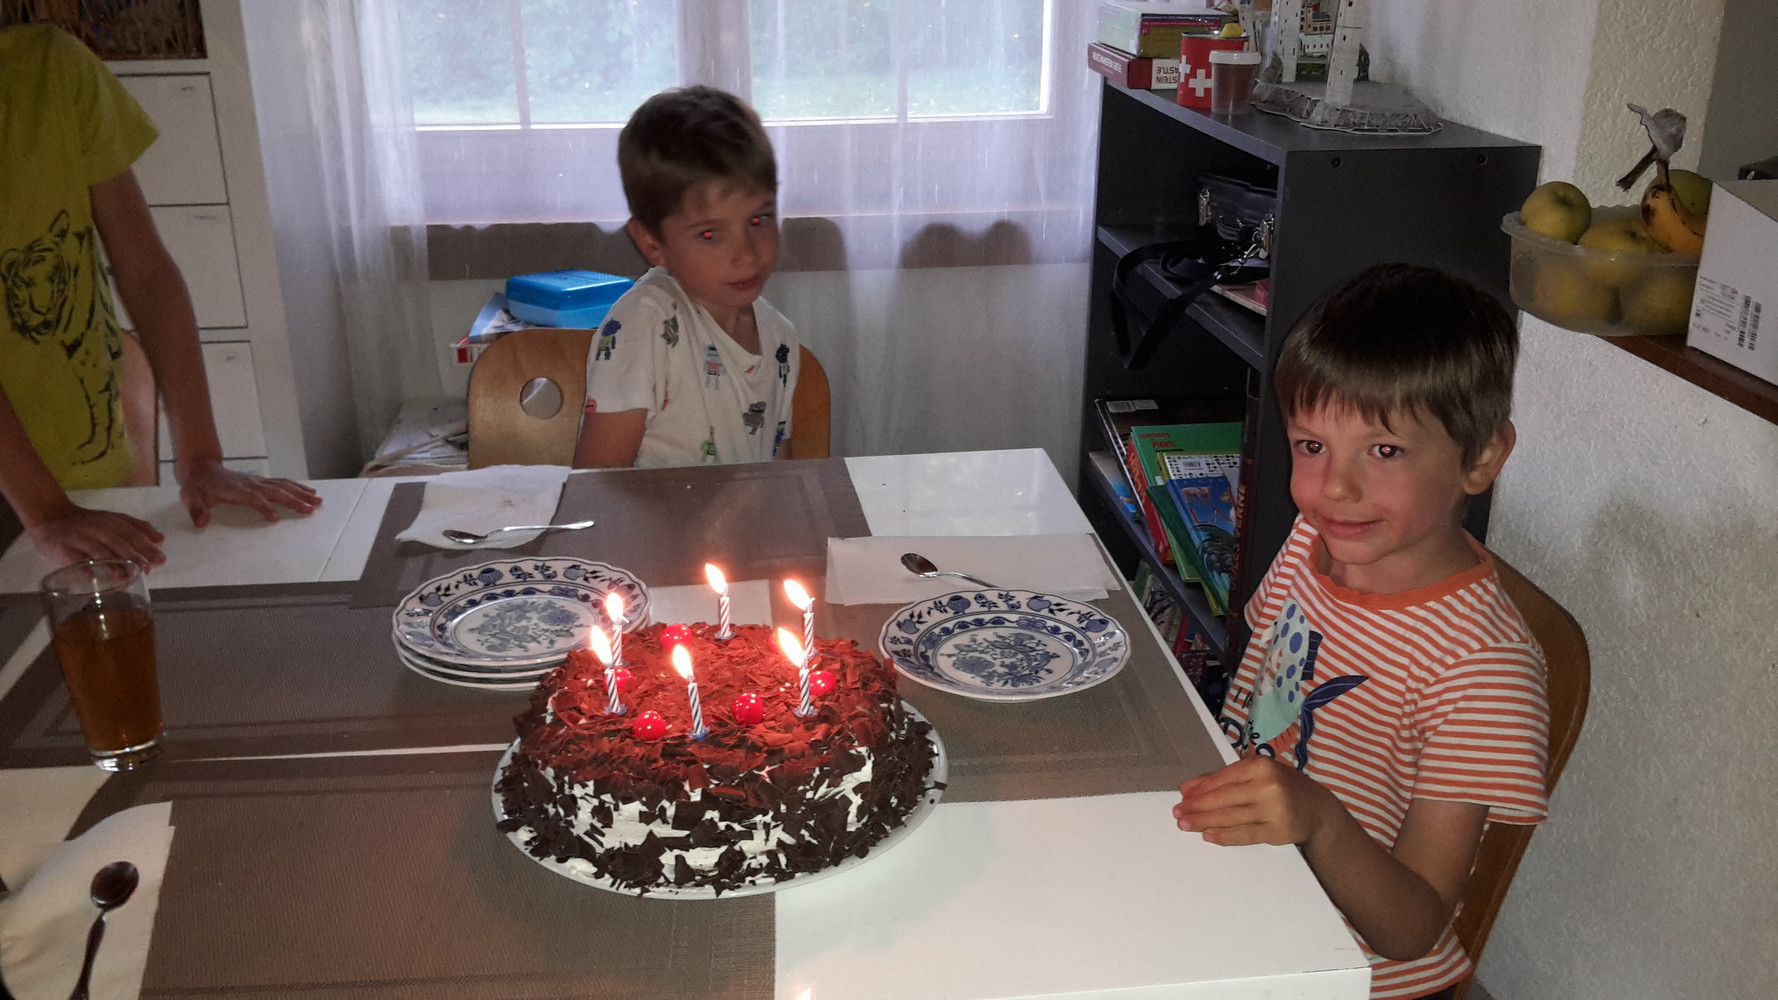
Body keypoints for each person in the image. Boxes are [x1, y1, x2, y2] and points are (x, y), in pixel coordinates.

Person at [1172, 264, 1550, 1000]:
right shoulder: (1312, 544)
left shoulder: (1482, 669)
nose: (1335, 489)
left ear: (1481, 458)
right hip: (1247, 890)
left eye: (1384, 451)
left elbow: (1413, 930)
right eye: (1312, 446)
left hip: (1352, 972)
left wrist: (1319, 821)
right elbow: (1258, 705)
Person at [0, 24, 319, 568]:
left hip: (87, 468)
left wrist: (201, 458)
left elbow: (146, 271)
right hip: (31, 499)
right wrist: (47, 511)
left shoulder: (52, 66)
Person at [572, 86, 799, 469]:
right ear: (651, 242)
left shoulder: (781, 338)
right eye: (710, 234)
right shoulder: (645, 324)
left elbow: (779, 475)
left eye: (758, 219)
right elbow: (597, 485)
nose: (746, 253)